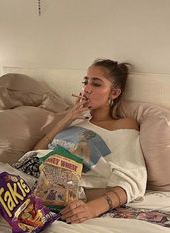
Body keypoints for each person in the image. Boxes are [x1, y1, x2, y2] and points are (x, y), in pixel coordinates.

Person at [33, 58, 147, 224]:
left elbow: (133, 180)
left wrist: (92, 209)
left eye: (96, 84)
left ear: (114, 93)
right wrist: (66, 119)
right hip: (28, 176)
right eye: (85, 82)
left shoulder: (122, 125)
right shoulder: (76, 120)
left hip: (56, 190)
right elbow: (35, 152)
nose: (86, 89)